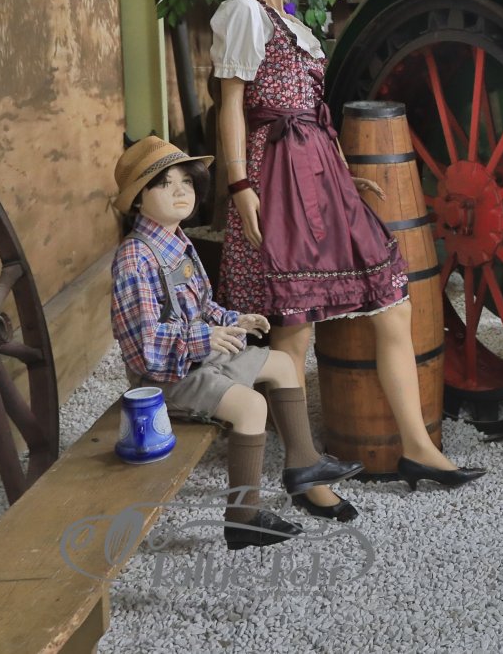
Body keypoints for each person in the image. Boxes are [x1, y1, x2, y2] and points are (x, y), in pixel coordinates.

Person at [210, 0, 484, 512]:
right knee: (294, 325)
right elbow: (232, 104)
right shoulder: (242, 12)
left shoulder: (293, 23)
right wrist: (239, 184)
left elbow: (316, 113)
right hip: (275, 169)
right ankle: (306, 472)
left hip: (320, 169)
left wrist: (342, 173)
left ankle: (417, 447)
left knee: (393, 304)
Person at [110, 136, 364, 549]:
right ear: (138, 199)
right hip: (164, 380)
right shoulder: (135, 258)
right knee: (252, 406)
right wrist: (205, 337)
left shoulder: (178, 243)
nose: (180, 191)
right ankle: (243, 519)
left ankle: (304, 465)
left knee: (283, 363)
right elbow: (145, 346)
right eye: (164, 184)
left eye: (186, 182)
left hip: (200, 359)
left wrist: (232, 321)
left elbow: (203, 306)